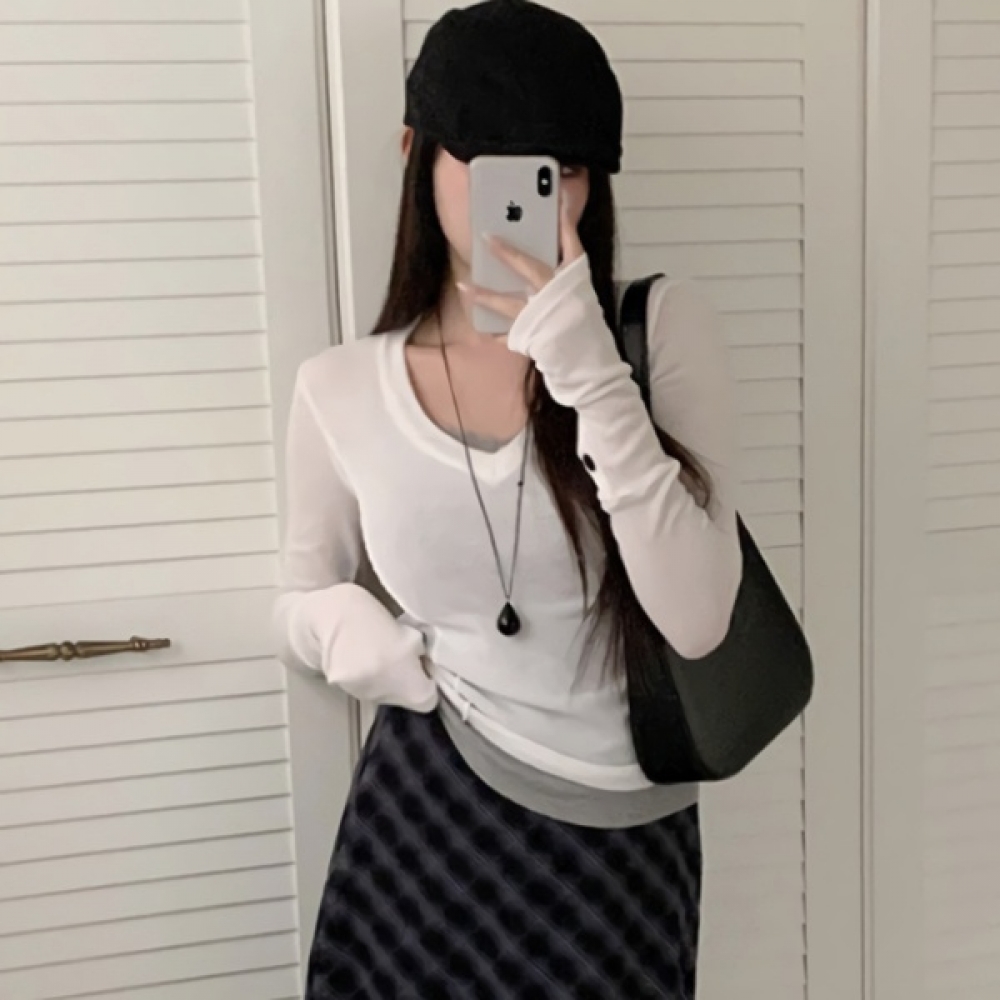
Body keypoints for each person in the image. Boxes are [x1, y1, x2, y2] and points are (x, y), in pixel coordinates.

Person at [273, 1, 741, 996]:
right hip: (424, 814)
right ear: (416, 151)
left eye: (564, 170)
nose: (540, 199)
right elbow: (297, 595)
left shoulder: (657, 332)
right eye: (497, 165)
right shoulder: (339, 387)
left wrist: (589, 371)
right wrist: (331, 624)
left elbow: (700, 617)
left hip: (622, 845)